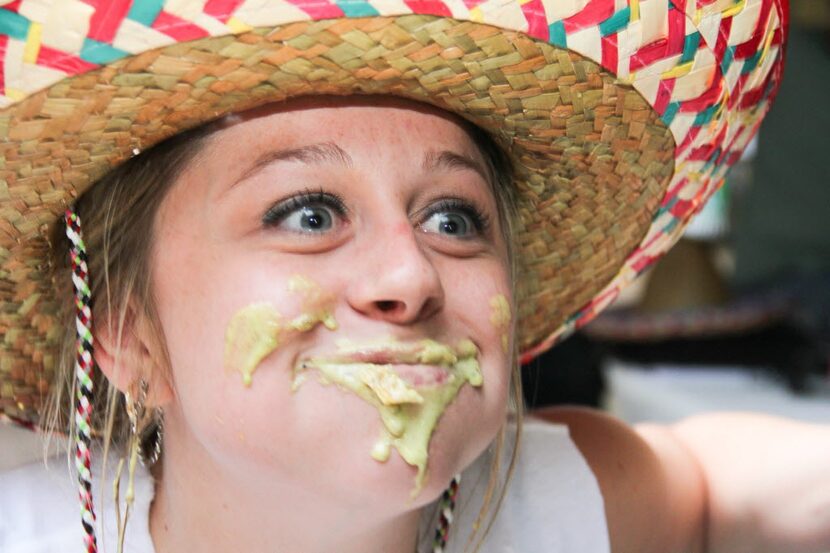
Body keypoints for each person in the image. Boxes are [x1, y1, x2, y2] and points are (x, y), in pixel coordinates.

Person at [1, 1, 828, 552]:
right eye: (310, 214)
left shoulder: (573, 501)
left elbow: (718, 487)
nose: (409, 274)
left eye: (453, 220)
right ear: (126, 335)